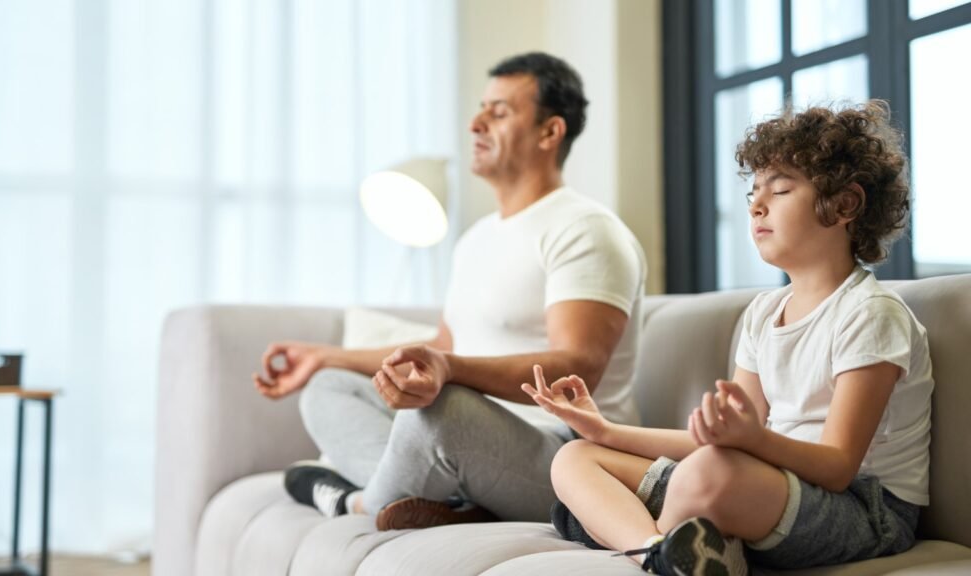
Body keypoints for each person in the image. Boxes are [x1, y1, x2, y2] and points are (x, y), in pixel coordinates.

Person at [524, 100, 932, 575]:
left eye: (779, 189)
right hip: (770, 484)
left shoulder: (872, 314)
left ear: (844, 205)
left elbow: (838, 467)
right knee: (575, 458)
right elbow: (721, 441)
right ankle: (660, 549)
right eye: (753, 192)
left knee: (706, 472)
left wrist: (752, 439)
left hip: (863, 509)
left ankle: (656, 535)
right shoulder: (763, 313)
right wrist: (606, 432)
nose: (756, 205)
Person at [252, 51, 647, 531]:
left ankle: (355, 503)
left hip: (569, 459)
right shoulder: (476, 239)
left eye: (499, 112)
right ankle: (449, 497)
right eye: (481, 108)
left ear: (550, 132)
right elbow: (444, 347)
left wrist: (450, 373)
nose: (476, 123)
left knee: (440, 410)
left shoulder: (585, 229)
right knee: (328, 387)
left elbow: (578, 365)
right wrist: (324, 356)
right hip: (482, 447)